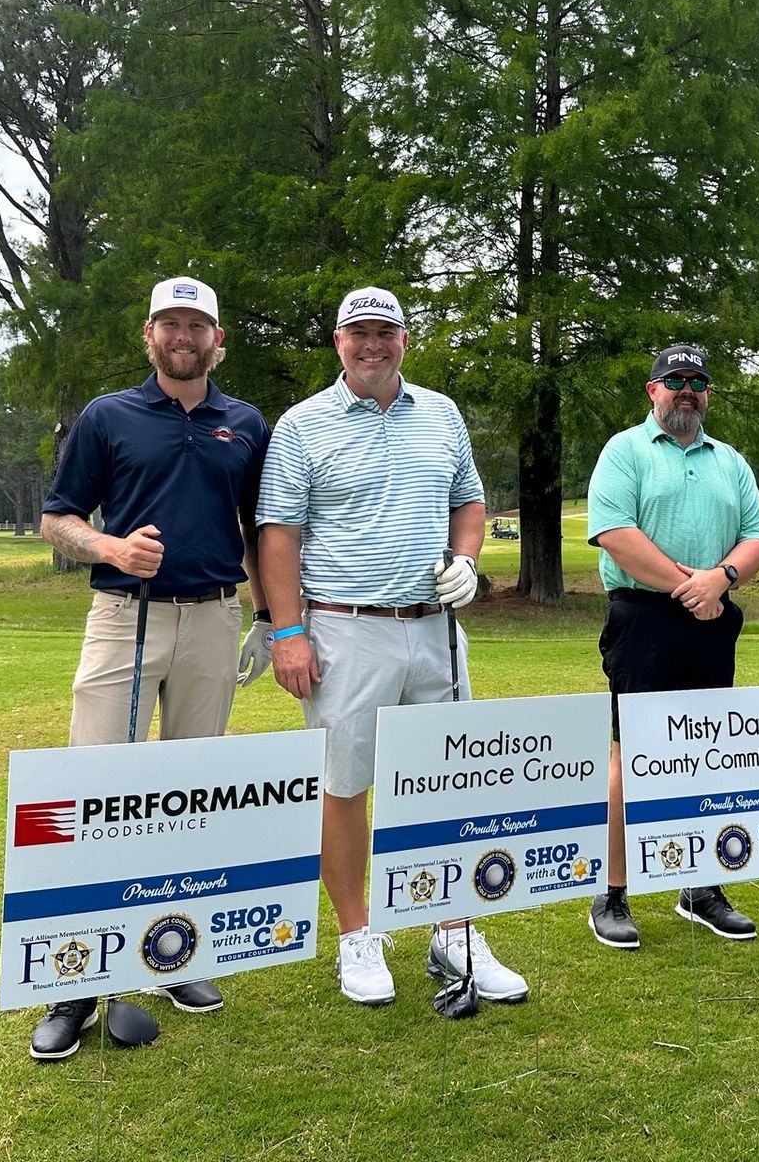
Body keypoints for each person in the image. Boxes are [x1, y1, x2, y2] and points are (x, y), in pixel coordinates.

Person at [256, 287, 527, 1008]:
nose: (373, 344)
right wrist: (287, 632)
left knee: (445, 781)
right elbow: (277, 534)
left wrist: (467, 558)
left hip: (434, 625)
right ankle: (358, 934)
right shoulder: (302, 425)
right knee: (345, 784)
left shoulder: (440, 413)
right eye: (359, 333)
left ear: (405, 340)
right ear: (338, 343)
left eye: (386, 332)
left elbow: (469, 501)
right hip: (344, 626)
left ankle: (453, 927)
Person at [30, 275, 270, 1060]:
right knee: (96, 790)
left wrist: (270, 617)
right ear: (149, 335)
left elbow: (260, 527)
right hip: (123, 618)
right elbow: (57, 516)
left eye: (196, 324)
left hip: (213, 617)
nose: (182, 335)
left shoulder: (245, 423)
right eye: (169, 322)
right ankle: (76, 982)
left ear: (217, 340)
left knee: (190, 796)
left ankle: (174, 954)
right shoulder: (108, 415)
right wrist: (108, 547)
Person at [585, 345, 759, 949]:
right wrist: (693, 584)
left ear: (708, 393)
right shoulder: (626, 450)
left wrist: (723, 581)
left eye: (697, 381)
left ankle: (701, 885)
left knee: (710, 753)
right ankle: (611, 892)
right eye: (675, 381)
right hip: (643, 615)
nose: (686, 390)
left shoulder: (730, 461)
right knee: (629, 754)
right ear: (653, 390)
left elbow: (756, 537)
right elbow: (615, 533)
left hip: (715, 613)